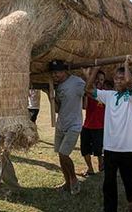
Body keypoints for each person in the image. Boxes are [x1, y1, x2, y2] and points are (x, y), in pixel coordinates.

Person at [86, 55, 132, 212]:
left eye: (121, 78)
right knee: (109, 183)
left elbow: (130, 83)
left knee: (130, 181)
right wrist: (96, 69)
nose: (118, 80)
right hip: (110, 148)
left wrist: (126, 65)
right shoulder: (109, 96)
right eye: (116, 78)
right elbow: (88, 89)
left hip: (128, 148)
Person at [49, 59, 85, 195]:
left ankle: (74, 179)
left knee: (64, 154)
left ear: (64, 71)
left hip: (74, 125)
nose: (55, 75)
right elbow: (58, 108)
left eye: (57, 72)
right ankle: (67, 182)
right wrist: (50, 96)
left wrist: (89, 75)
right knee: (60, 155)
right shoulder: (57, 86)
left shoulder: (77, 82)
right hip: (61, 124)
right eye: (53, 73)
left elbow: (88, 90)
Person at [80, 70, 105, 176]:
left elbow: (97, 94)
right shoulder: (89, 92)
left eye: (102, 79)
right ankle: (90, 168)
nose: (99, 81)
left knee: (99, 150)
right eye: (97, 79)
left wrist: (87, 76)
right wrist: (86, 94)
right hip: (87, 125)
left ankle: (101, 165)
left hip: (100, 126)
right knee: (84, 149)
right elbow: (85, 107)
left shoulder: (105, 93)